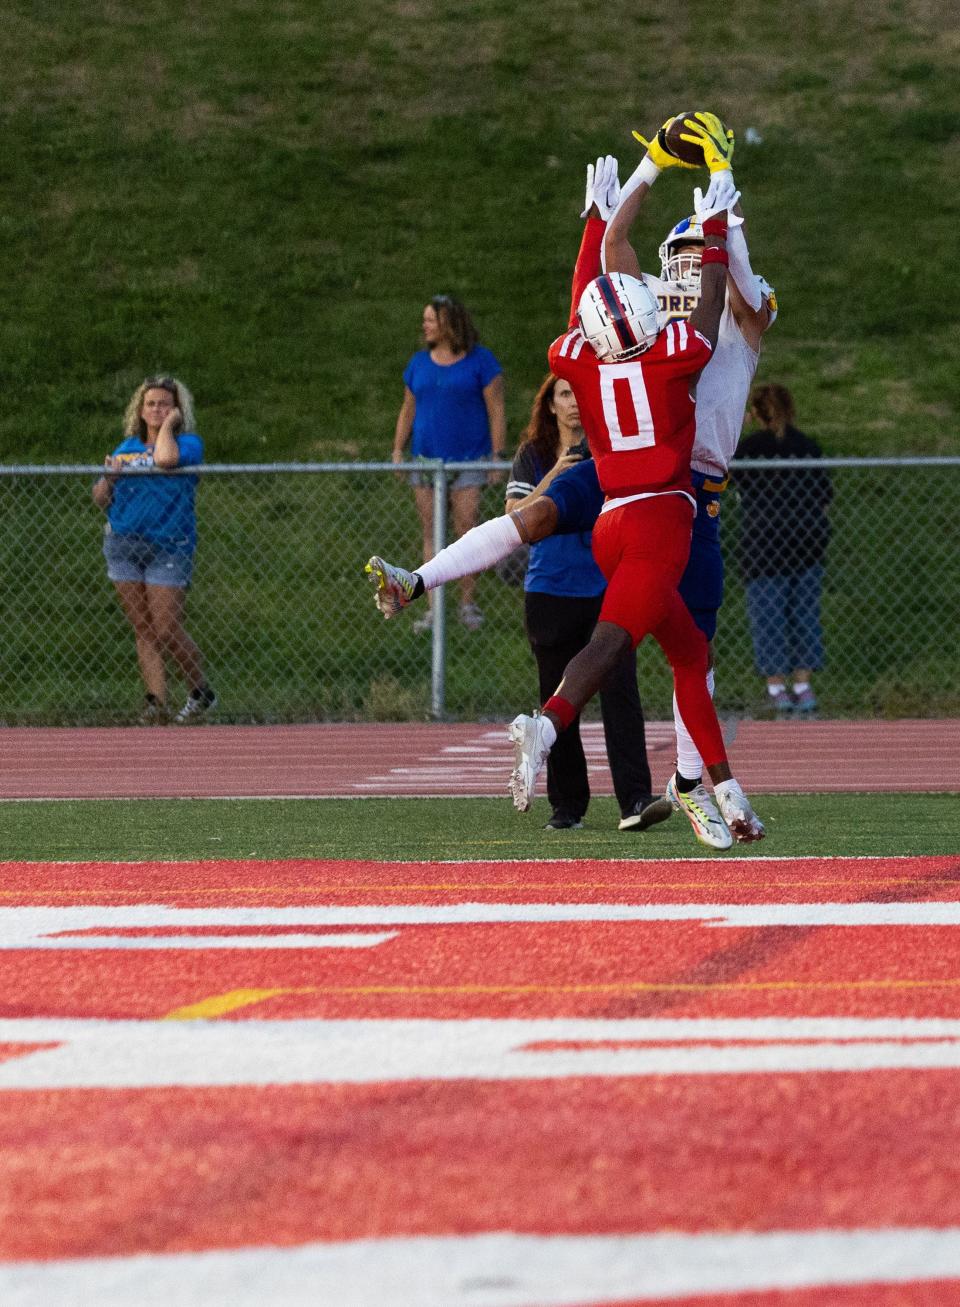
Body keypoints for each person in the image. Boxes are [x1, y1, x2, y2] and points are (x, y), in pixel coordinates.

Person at [367, 127, 774, 847]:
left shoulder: (712, 316)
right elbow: (622, 271)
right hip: (636, 485)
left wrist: (712, 220)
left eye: (686, 261)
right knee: (541, 512)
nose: (677, 272)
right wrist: (695, 205)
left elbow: (737, 298)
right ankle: (426, 584)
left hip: (686, 489)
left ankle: (690, 784)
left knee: (692, 650)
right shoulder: (664, 325)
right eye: (670, 259)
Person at [506, 373, 671, 832]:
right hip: (551, 591)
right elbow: (514, 518)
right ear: (550, 405)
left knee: (620, 693)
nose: (574, 404)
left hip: (607, 588)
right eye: (564, 395)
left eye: (581, 394)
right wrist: (560, 470)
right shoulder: (533, 455)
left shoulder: (613, 449)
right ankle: (567, 807)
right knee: (556, 698)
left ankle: (635, 799)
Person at [92, 376, 216, 725]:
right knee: (143, 628)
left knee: (166, 628)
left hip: (168, 544)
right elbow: (101, 499)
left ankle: (200, 691)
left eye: (164, 404)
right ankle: (156, 703)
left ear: (176, 409)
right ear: (140, 410)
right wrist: (109, 478)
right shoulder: (126, 447)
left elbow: (165, 458)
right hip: (124, 543)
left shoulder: (188, 443)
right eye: (151, 404)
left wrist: (170, 426)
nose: (157, 409)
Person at [392, 294, 506, 633]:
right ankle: (433, 608)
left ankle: (467, 605)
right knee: (431, 533)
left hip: (468, 461)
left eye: (431, 319)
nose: (425, 325)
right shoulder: (418, 364)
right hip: (425, 462)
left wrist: (497, 457)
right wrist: (399, 450)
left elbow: (496, 410)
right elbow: (408, 409)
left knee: (466, 533)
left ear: (449, 322)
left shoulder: (481, 362)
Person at [735, 383, 832, 714]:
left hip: (764, 546)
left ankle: (777, 687)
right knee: (804, 614)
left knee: (769, 616)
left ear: (757, 413)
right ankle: (803, 686)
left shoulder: (748, 448)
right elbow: (824, 499)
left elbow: (730, 481)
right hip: (806, 543)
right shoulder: (806, 446)